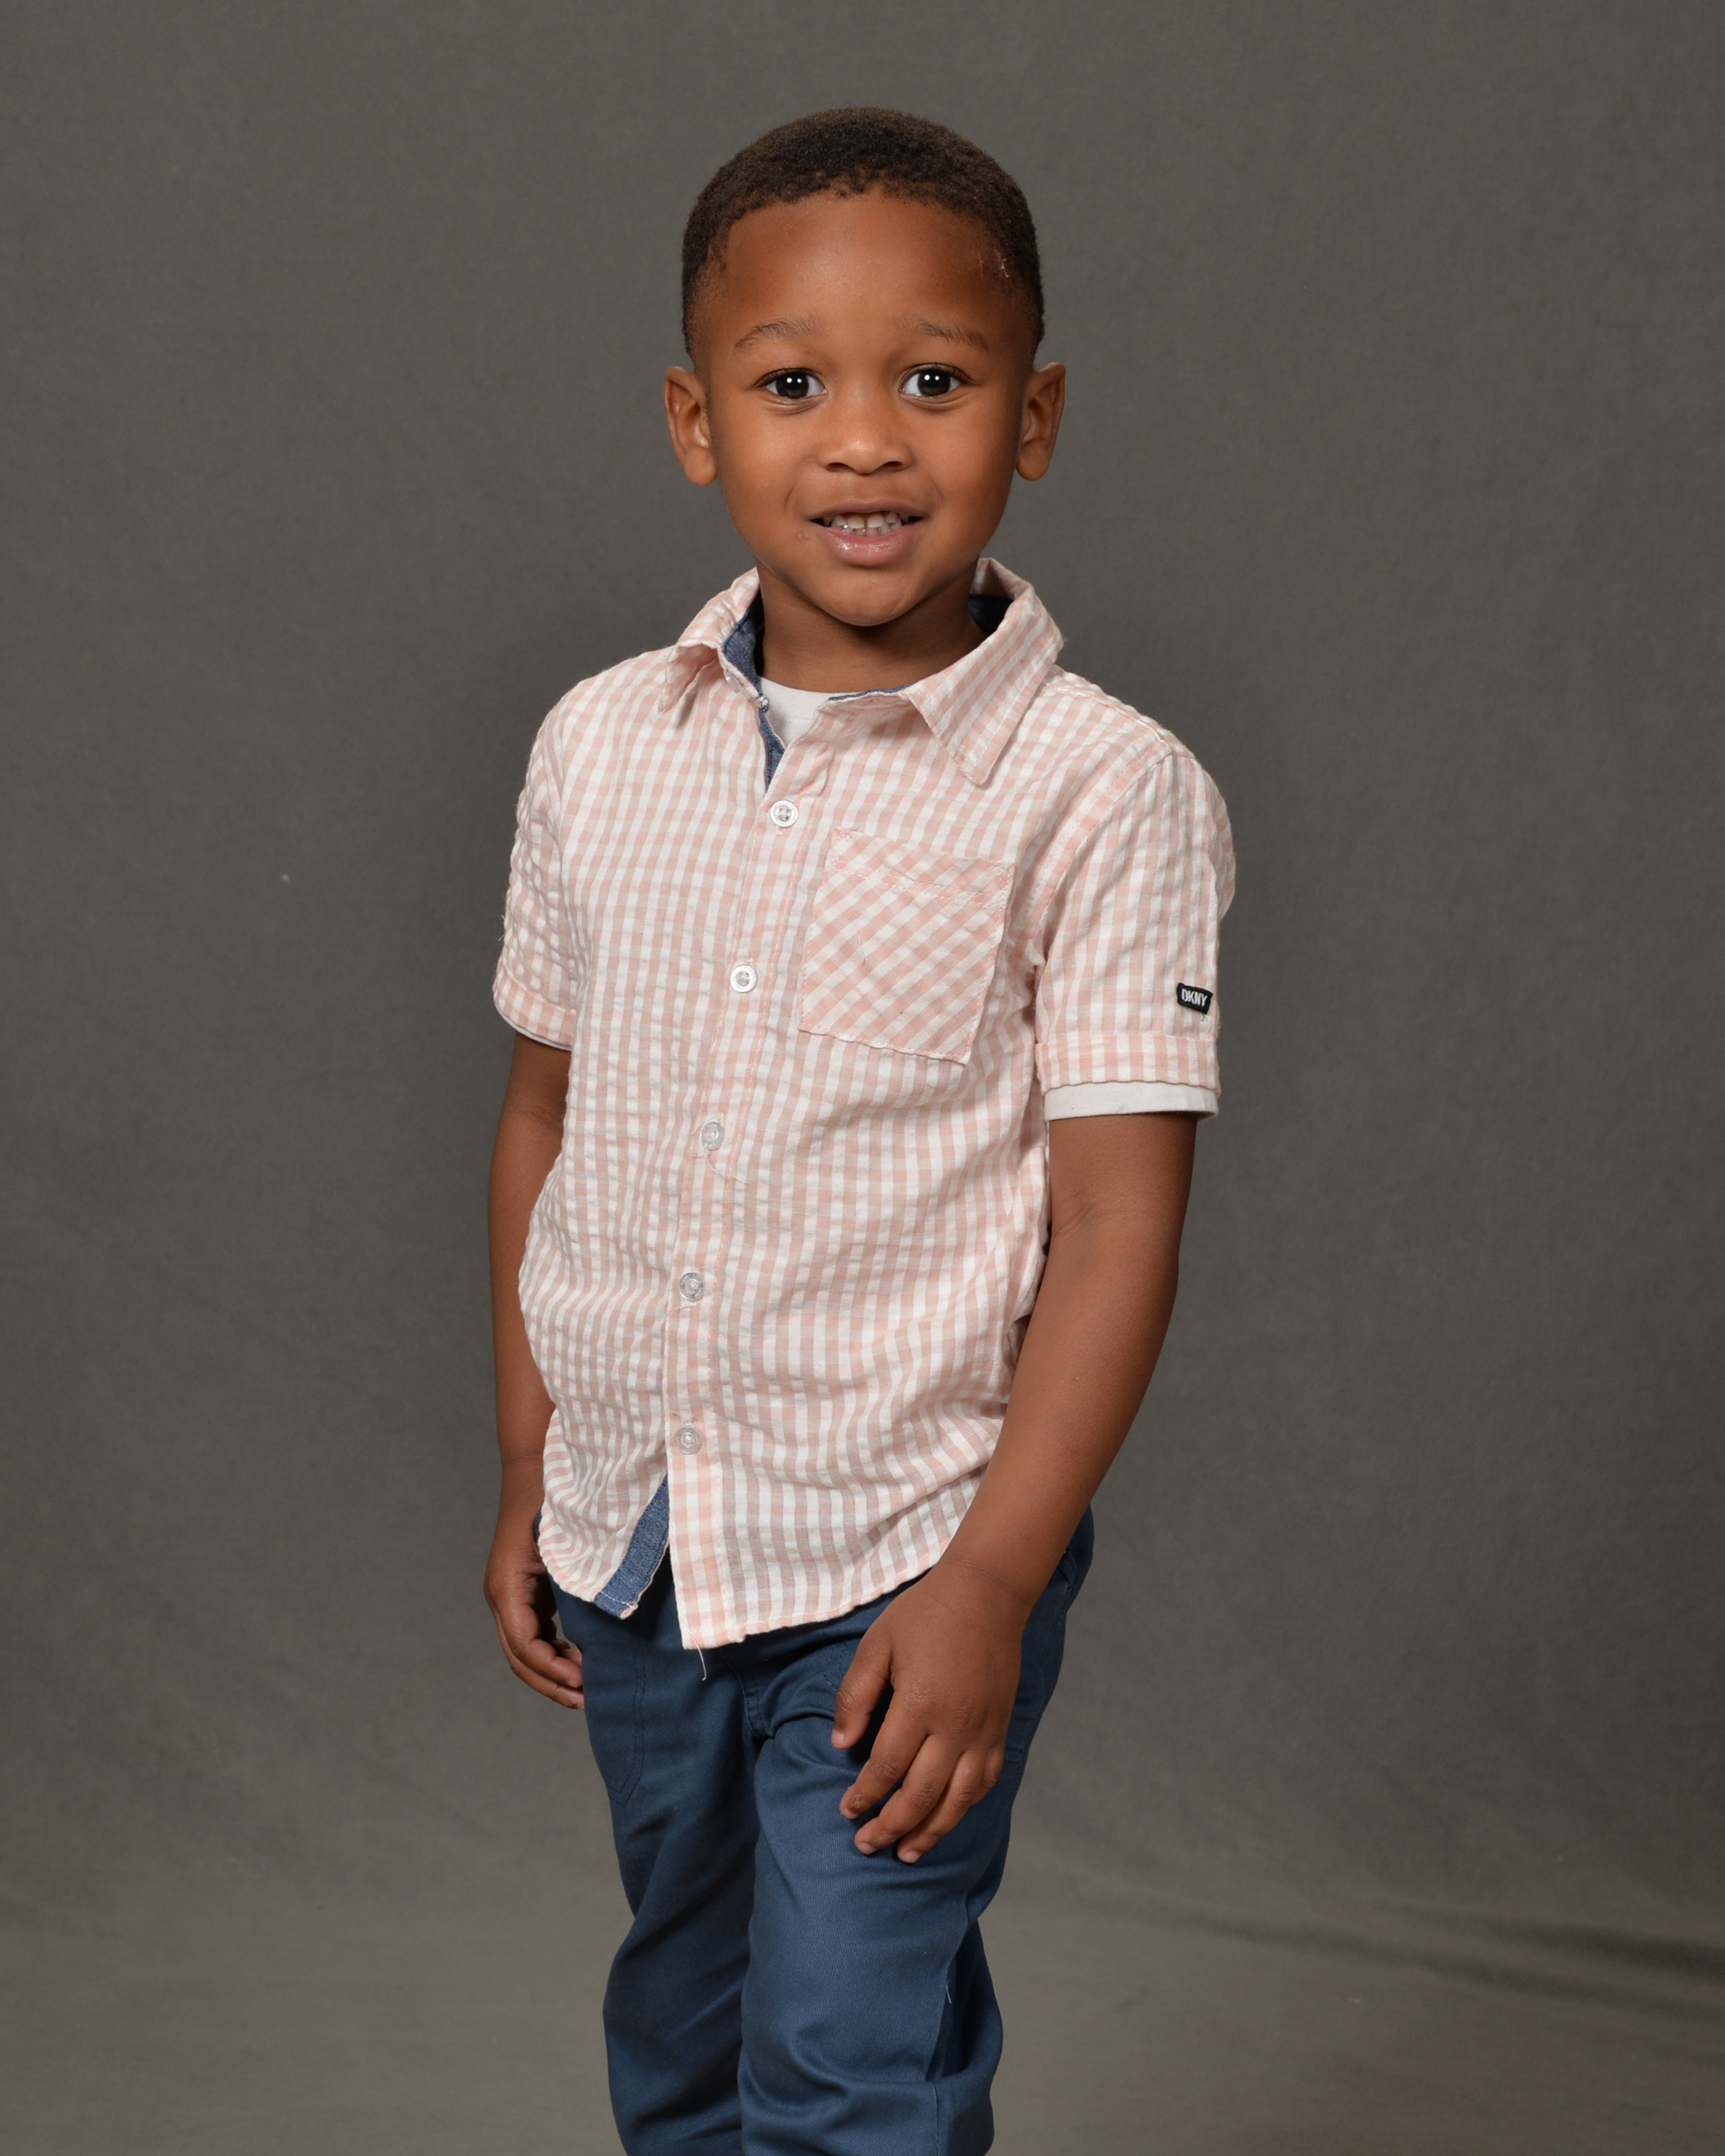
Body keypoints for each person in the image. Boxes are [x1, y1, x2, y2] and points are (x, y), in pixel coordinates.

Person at [484, 106, 1234, 2156]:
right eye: (793, 385)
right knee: (688, 2014)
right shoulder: (596, 747)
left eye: (937, 381)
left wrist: (993, 1580)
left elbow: (1118, 1232)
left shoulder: (1106, 793)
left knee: (847, 2055)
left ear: (1035, 415)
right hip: (638, 1530)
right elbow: (546, 1114)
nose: (867, 443)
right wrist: (536, 1456)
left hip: (907, 1544)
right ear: (695, 421)